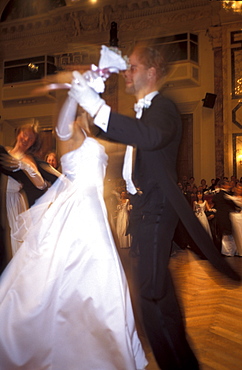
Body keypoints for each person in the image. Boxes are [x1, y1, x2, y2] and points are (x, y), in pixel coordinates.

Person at [69, 44, 241, 370]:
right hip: (143, 209)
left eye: (132, 67)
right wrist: (90, 98)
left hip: (157, 209)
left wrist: (97, 106)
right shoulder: (142, 112)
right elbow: (112, 129)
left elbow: (148, 137)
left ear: (150, 72)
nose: (127, 73)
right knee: (156, 294)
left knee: (150, 295)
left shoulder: (164, 109)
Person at [0, 101, 147, 369]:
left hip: (95, 208)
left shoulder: (97, 138)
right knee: (64, 270)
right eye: (90, 108)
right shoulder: (69, 132)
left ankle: (100, 341)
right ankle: (58, 337)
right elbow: (62, 121)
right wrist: (76, 91)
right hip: (78, 206)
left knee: (98, 273)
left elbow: (128, 144)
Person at [0, 122, 60, 256]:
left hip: (14, 203)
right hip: (2, 201)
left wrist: (25, 166)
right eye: (25, 134)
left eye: (31, 138)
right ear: (18, 133)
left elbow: (41, 184)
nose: (26, 139)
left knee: (15, 243)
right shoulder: (4, 152)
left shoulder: (29, 159)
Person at [212, 179, 238, 256]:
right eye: (227, 184)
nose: (229, 186)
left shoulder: (218, 194)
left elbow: (214, 201)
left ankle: (226, 251)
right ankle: (228, 251)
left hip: (220, 215)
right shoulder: (225, 195)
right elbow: (233, 204)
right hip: (226, 216)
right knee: (228, 233)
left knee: (224, 233)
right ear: (223, 185)